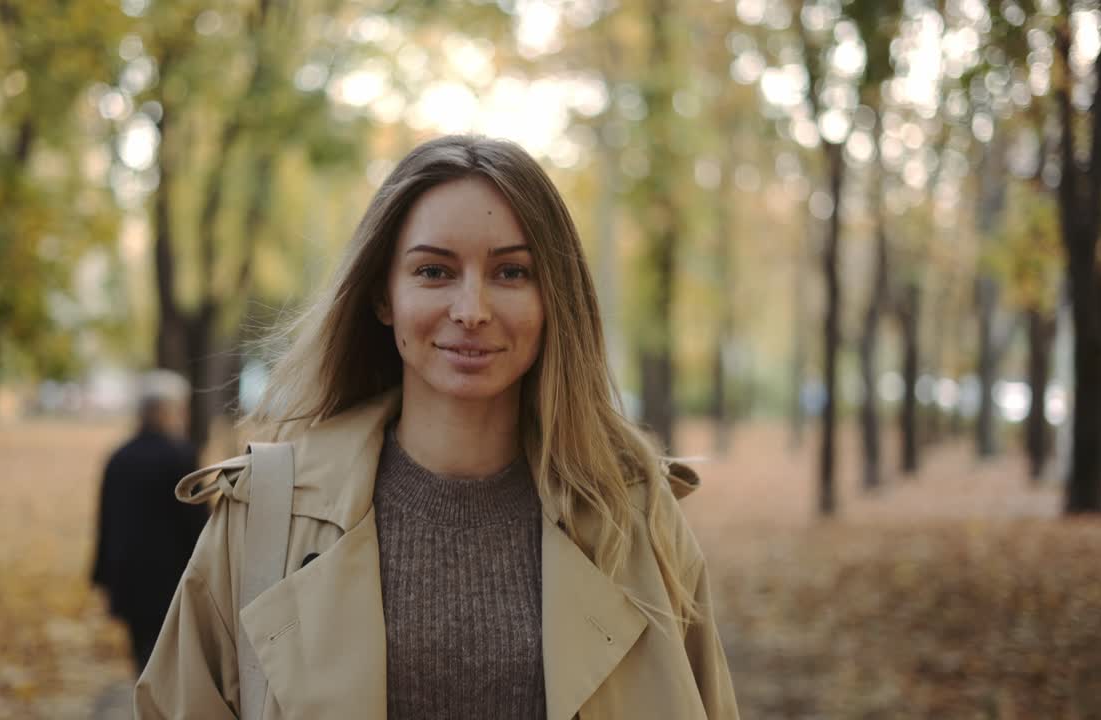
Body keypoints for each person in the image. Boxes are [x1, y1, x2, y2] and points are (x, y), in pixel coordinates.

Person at [135, 136, 738, 719]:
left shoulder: (634, 517)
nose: (472, 310)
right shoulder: (264, 514)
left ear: (554, 299)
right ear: (382, 297)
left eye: (511, 273)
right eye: (433, 271)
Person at [92, 369, 208, 673]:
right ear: (164, 411)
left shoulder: (119, 457)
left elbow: (105, 521)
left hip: (128, 577)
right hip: (170, 579)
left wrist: (102, 576)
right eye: (178, 408)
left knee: (141, 655)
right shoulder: (181, 456)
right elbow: (197, 523)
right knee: (169, 661)